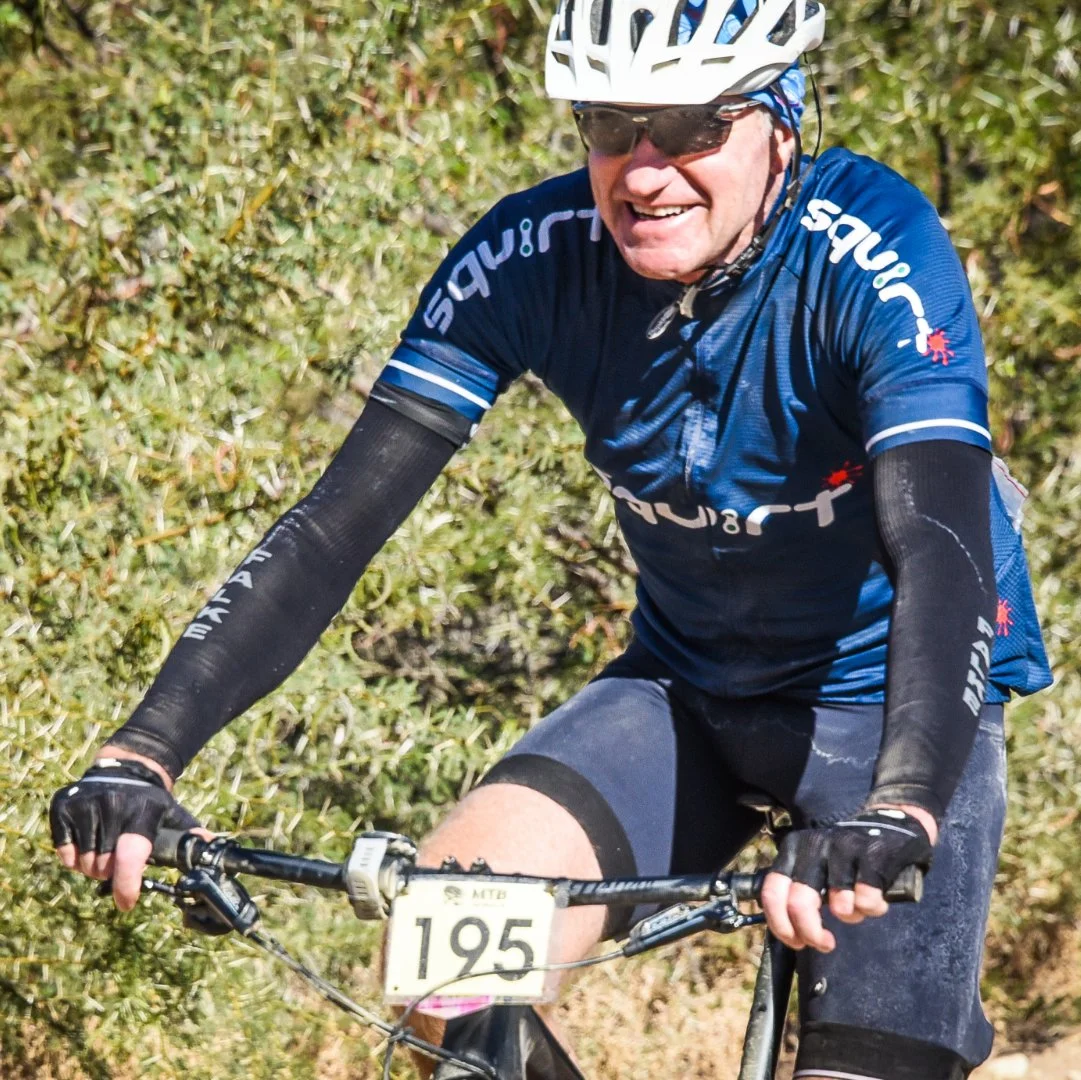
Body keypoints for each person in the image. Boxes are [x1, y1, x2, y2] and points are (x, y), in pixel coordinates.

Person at [51, 0, 1052, 1076]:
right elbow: (334, 528)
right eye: (609, 123)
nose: (644, 168)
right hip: (684, 697)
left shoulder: (872, 251)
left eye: (692, 128)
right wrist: (138, 752)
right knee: (443, 963)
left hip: (884, 708)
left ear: (783, 117)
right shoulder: (532, 254)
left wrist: (901, 805)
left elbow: (939, 546)